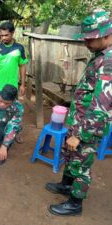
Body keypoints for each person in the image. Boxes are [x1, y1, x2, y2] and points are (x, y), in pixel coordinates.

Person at [46, 9, 112, 216]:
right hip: (80, 121)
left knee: (82, 163)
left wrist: (80, 134)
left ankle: (75, 203)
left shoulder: (110, 61)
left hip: (88, 127)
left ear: (107, 34)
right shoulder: (100, 55)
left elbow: (103, 104)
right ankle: (67, 185)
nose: (86, 42)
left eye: (90, 39)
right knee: (72, 154)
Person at [0, 21, 28, 143]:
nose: (3, 38)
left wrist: (23, 85)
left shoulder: (19, 48)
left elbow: (22, 67)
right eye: (1, 35)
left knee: (13, 111)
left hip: (11, 88)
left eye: (6, 35)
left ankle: (15, 132)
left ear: (12, 33)